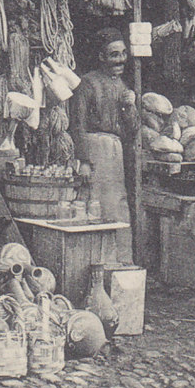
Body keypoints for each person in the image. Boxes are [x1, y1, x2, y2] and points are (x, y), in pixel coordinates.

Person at [70, 28, 139, 260]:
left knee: (117, 207)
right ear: (101, 57)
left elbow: (133, 129)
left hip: (115, 153)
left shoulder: (123, 85)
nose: (120, 60)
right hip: (95, 150)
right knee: (95, 206)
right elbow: (77, 125)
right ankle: (98, 262)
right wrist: (84, 161)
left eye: (122, 54)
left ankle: (120, 262)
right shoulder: (87, 84)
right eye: (113, 54)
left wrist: (130, 107)